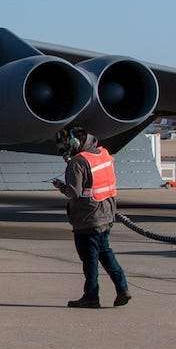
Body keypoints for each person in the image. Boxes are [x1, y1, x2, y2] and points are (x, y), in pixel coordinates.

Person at [50, 126, 131, 309]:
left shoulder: (77, 162)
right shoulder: (102, 154)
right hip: (106, 214)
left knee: (90, 260)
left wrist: (61, 186)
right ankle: (122, 288)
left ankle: (91, 296)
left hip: (88, 217)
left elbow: (74, 192)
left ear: (75, 142)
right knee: (106, 254)